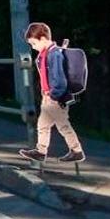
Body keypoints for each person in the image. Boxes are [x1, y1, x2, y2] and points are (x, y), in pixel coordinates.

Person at [19, 23, 86, 166]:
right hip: (48, 96)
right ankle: (41, 151)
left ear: (43, 38)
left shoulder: (54, 55)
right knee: (44, 125)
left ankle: (76, 151)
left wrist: (54, 95)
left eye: (33, 43)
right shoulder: (44, 54)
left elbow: (59, 80)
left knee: (62, 125)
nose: (33, 47)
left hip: (54, 97)